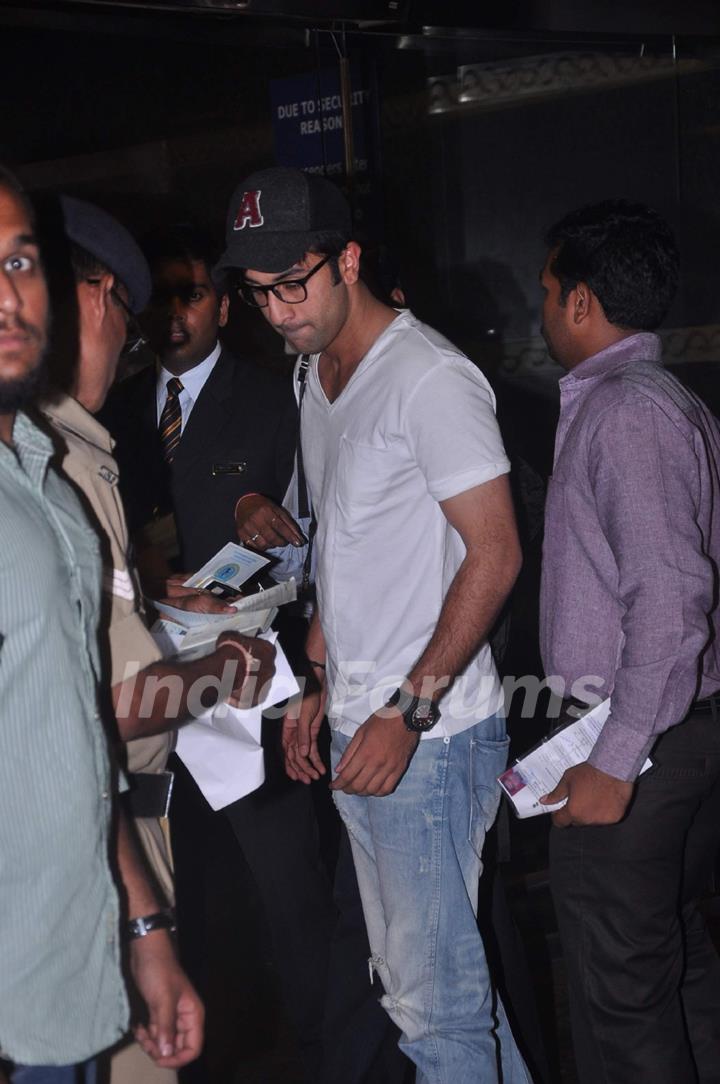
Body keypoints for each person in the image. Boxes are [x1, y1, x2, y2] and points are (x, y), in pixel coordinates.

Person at [217, 165, 531, 1084]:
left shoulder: (428, 378)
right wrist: (317, 678)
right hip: (362, 716)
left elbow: (498, 555)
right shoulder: (316, 372)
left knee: (432, 1014)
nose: (276, 311)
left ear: (347, 258)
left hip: (429, 735)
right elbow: (343, 556)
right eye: (257, 291)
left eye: (292, 284)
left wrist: (408, 710)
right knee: (437, 996)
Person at [36, 194, 276, 1084]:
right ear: (92, 301)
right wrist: (227, 668)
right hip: (98, 845)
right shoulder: (60, 462)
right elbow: (111, 713)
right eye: (123, 315)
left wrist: (152, 596)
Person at [101, 223, 335, 1080]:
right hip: (155, 686)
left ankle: (324, 1051)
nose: (171, 313)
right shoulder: (113, 407)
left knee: (289, 893)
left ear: (225, 304)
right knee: (182, 895)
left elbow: (324, 545)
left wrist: (258, 531)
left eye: (190, 294)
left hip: (253, 685)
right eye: (157, 295)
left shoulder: (277, 401)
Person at [0, 167, 211, 1083]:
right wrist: (226, 671)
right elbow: (123, 706)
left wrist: (144, 925)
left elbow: (73, 734)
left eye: (17, 259)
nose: (7, 294)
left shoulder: (39, 471)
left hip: (76, 966)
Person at [537, 198, 720, 1084]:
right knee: (672, 970)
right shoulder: (658, 399)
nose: (540, 311)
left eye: (546, 290)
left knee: (623, 1006)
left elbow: (673, 598)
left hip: (642, 743)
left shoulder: (626, 413)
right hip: (675, 736)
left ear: (580, 302)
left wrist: (614, 760)